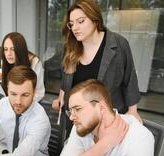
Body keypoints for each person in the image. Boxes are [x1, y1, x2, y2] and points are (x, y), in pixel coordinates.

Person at [52, 0, 142, 131]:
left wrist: (133, 111)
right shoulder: (69, 47)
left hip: (106, 119)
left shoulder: (118, 44)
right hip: (77, 120)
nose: (75, 28)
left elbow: (129, 79)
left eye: (81, 21)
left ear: (95, 19)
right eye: (71, 24)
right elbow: (66, 77)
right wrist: (61, 97)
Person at [57, 79, 154, 156]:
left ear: (101, 107)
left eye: (77, 109)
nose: (71, 117)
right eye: (71, 111)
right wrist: (103, 146)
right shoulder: (80, 126)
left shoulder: (139, 137)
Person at [0, 32, 45, 102]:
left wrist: (22, 104)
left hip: (29, 104)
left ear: (20, 50)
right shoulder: (5, 60)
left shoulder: (34, 62)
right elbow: (4, 72)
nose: (8, 54)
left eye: (13, 49)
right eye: (5, 49)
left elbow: (39, 92)